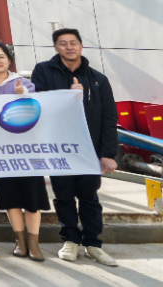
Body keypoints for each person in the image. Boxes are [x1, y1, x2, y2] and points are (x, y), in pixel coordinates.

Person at [31, 28, 119, 267]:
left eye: (73, 43)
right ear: (56, 47)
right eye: (63, 43)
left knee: (89, 198)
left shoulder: (98, 79)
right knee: (64, 196)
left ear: (81, 46)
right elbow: (37, 104)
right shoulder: (43, 71)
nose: (69, 47)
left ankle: (93, 244)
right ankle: (70, 240)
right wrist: (67, 96)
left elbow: (109, 118)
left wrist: (108, 154)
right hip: (58, 147)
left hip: (89, 149)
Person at [0, 40, 48, 262]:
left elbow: (37, 109)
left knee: (32, 196)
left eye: (1, 56)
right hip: (0, 150)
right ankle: (20, 241)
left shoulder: (23, 83)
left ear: (9, 60)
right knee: (10, 196)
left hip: (28, 149)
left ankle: (34, 242)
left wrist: (23, 95)